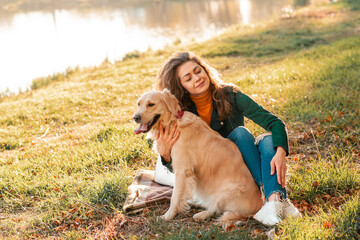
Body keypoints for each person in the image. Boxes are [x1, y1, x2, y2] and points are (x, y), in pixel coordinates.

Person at [155, 51, 301, 226]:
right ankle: (273, 199)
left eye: (198, 71)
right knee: (240, 133)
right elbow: (182, 166)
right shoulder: (182, 113)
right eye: (188, 78)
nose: (196, 78)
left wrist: (281, 152)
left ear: (205, 70)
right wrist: (164, 155)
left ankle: (275, 201)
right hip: (216, 174)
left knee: (261, 139)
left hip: (240, 161)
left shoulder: (231, 95)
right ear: (181, 86)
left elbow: (274, 122)